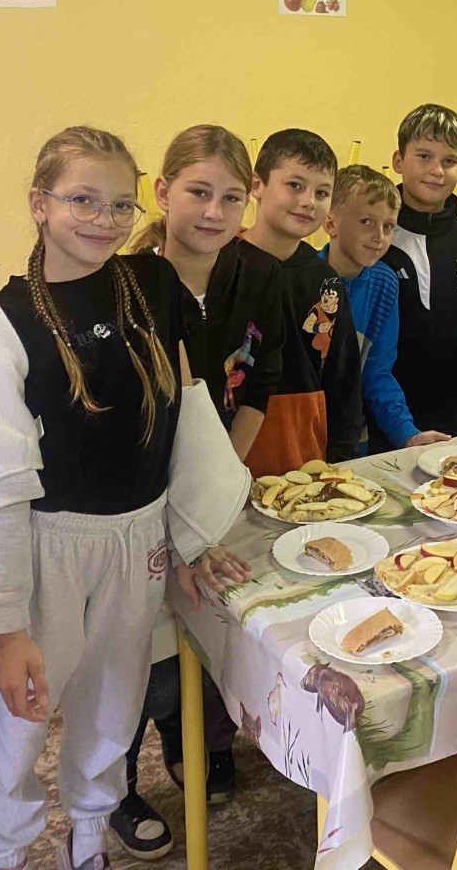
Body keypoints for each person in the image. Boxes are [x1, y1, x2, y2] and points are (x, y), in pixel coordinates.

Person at [0, 126, 248, 870]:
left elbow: (182, 418)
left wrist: (188, 534)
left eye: (121, 205)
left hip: (139, 537)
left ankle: (91, 834)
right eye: (82, 201)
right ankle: (5, 851)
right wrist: (7, 626)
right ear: (40, 203)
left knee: (114, 700)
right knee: (23, 713)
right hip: (49, 545)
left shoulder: (153, 285)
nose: (104, 220)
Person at [116, 125, 281, 853]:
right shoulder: (128, 284)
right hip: (140, 492)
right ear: (162, 192)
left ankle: (195, 740)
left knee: (212, 619)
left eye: (230, 197)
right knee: (134, 649)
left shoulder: (258, 276)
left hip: (217, 483)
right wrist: (182, 515)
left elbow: (259, 385)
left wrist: (223, 487)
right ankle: (117, 783)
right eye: (198, 192)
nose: (214, 212)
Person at [241, 128, 364, 473]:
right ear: (257, 185)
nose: (309, 201)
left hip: (307, 459)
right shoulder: (222, 267)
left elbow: (344, 381)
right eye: (295, 185)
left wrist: (341, 460)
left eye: (321, 192)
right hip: (232, 456)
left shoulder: (326, 281)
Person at [322, 164, 448, 450]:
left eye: (388, 226)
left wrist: (407, 434)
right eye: (366, 221)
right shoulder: (304, 280)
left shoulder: (385, 282)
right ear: (330, 223)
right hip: (300, 434)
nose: (379, 236)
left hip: (352, 438)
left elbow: (377, 371)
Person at [379, 103, 457, 448]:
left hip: (448, 410)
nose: (436, 170)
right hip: (377, 411)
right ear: (398, 160)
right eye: (424, 156)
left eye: (449, 160)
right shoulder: (375, 236)